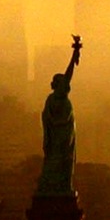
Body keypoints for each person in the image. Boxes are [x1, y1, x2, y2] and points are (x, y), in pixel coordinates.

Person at [37, 35, 81, 194]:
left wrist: (75, 53)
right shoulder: (53, 99)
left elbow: (68, 74)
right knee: (58, 163)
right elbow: (46, 118)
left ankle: (63, 187)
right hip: (57, 138)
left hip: (63, 137)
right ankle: (56, 188)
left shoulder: (56, 98)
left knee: (64, 163)